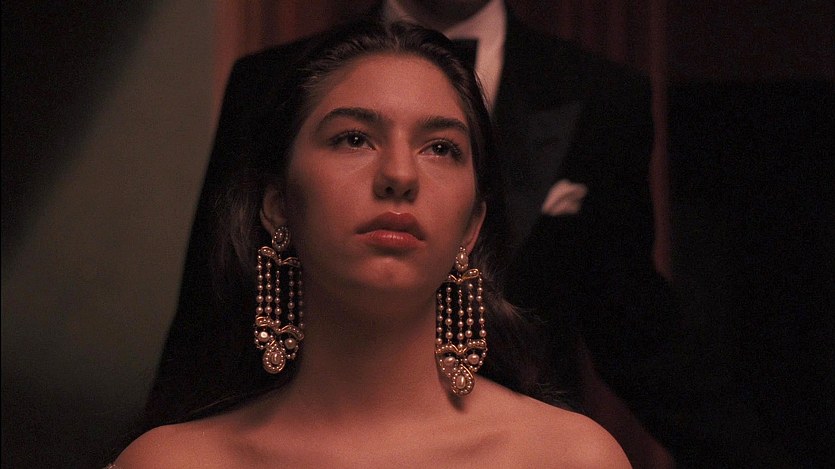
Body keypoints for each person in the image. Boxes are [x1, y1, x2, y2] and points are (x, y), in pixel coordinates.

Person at [112, 21, 630, 467]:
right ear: (278, 204)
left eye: (440, 148)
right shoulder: (171, 461)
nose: (399, 175)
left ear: (472, 225)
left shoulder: (569, 457)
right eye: (354, 138)